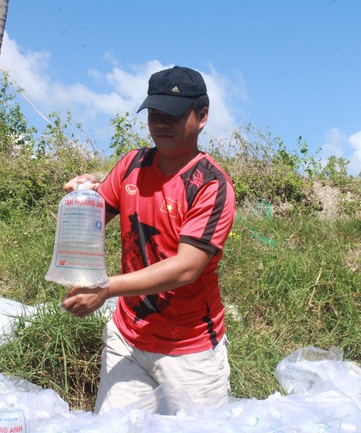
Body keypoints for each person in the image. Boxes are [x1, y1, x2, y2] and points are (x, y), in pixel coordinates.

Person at [61, 66, 236, 415]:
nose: (161, 124)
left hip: (191, 352)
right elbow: (95, 219)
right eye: (154, 114)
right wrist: (82, 198)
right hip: (128, 339)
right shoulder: (132, 165)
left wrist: (105, 288)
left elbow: (187, 267)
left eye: (172, 115)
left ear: (202, 116)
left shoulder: (210, 185)